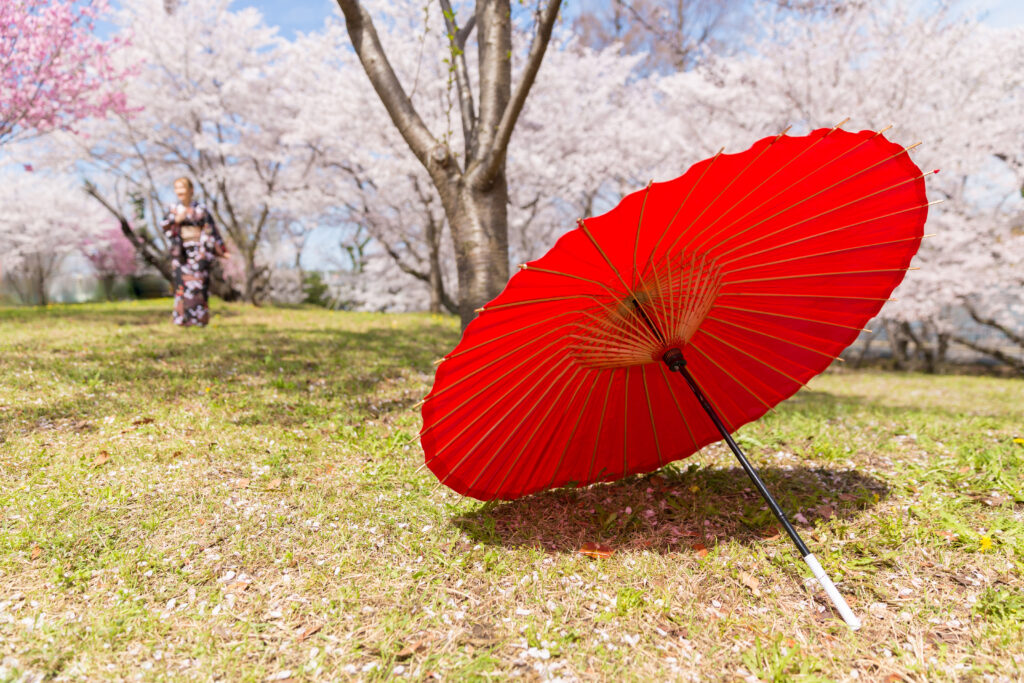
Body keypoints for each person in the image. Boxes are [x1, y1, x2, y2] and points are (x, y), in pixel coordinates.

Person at [161, 177, 228, 326]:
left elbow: (211, 230)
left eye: (182, 187)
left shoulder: (201, 209)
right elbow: (165, 228)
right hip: (181, 252)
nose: (179, 191)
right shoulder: (173, 209)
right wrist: (176, 220)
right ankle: (181, 318)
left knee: (199, 285)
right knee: (181, 285)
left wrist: (221, 249)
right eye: (177, 188)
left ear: (191, 190)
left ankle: (199, 319)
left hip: (199, 251)